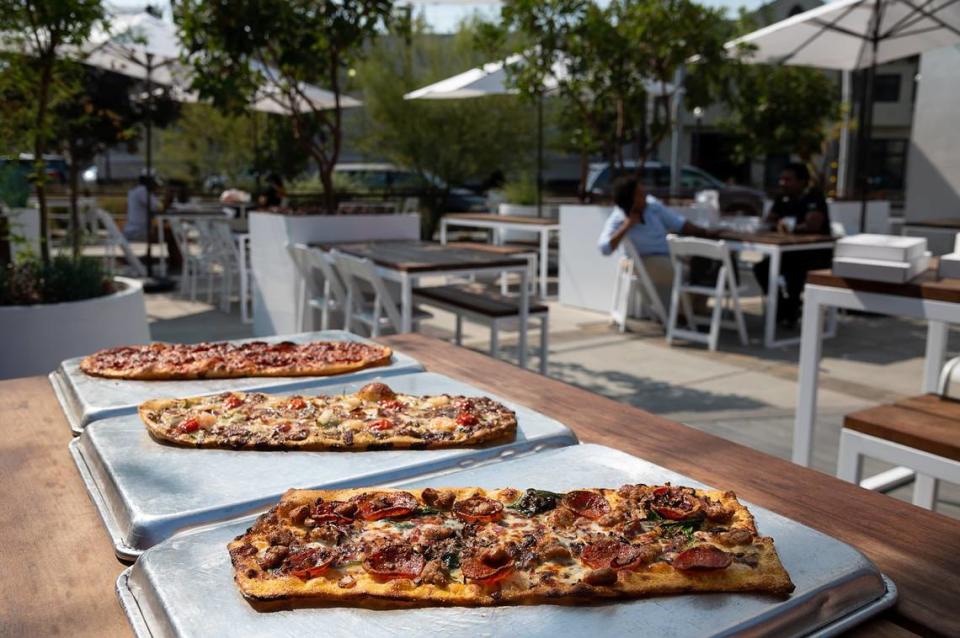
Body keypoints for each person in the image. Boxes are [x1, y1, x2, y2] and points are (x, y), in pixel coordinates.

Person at [598, 175, 720, 316]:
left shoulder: (652, 205)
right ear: (631, 199)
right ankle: (683, 314)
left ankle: (693, 310)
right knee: (689, 272)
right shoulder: (618, 218)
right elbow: (604, 248)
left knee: (708, 263)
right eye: (640, 194)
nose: (645, 196)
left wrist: (705, 232)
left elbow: (678, 223)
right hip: (645, 260)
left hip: (669, 253)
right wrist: (627, 225)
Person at [752, 162, 833, 327]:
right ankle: (783, 307)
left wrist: (790, 227)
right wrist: (778, 225)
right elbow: (770, 221)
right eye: (782, 179)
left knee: (794, 272)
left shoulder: (814, 197)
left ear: (802, 181)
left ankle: (792, 308)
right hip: (788, 252)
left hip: (815, 253)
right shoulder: (782, 197)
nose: (783, 183)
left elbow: (813, 226)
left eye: (788, 180)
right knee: (762, 268)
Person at [124, 173, 163, 241]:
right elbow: (158, 207)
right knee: (168, 236)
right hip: (138, 232)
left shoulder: (135, 190)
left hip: (132, 230)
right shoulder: (142, 191)